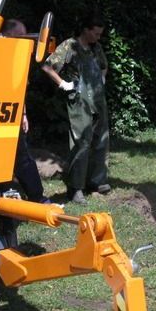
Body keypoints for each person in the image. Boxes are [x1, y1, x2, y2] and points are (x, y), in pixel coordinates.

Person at [42, 13, 110, 204]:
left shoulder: (96, 48)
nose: (98, 37)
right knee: (81, 142)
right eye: (96, 33)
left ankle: (97, 182)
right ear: (86, 30)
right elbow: (48, 67)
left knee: (101, 139)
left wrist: (102, 78)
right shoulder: (69, 46)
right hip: (79, 99)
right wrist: (63, 84)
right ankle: (75, 188)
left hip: (97, 98)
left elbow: (104, 66)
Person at [1, 19, 51, 204]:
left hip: (7, 113)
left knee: (19, 157)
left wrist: (22, 114)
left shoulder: (13, 58)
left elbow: (18, 91)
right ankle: (37, 198)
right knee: (21, 158)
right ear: (7, 36)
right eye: (20, 36)